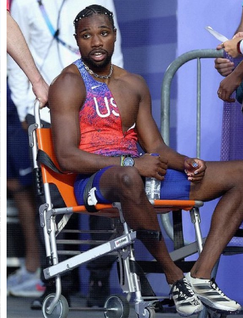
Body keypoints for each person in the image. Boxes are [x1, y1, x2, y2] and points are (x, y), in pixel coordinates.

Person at [49, 4, 242, 315]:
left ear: (114, 36)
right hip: (98, 181)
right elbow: (67, 156)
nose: (96, 42)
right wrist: (130, 164)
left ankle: (201, 276)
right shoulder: (67, 83)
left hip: (142, 176)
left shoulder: (134, 83)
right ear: (76, 40)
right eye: (87, 36)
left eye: (103, 34)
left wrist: (187, 162)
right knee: (128, 178)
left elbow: (157, 147)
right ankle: (175, 277)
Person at [7, 0, 124, 304]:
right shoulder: (24, 2)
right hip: (46, 111)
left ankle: (99, 281)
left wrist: (115, 103)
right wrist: (24, 108)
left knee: (103, 196)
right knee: (52, 199)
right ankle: (60, 282)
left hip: (96, 111)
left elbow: (115, 49)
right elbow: (17, 53)